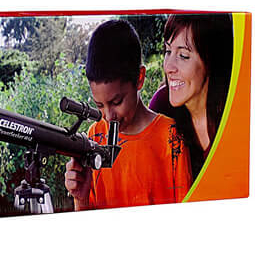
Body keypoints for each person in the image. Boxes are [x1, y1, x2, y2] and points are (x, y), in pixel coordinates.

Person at [64, 20, 192, 210]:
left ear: (139, 78)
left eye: (116, 102)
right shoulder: (94, 138)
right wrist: (80, 198)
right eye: (99, 105)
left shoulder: (172, 139)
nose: (109, 116)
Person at [150, 13, 233, 179]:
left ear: (210, 62)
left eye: (183, 56)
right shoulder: (161, 106)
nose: (169, 67)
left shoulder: (232, 109)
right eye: (168, 51)